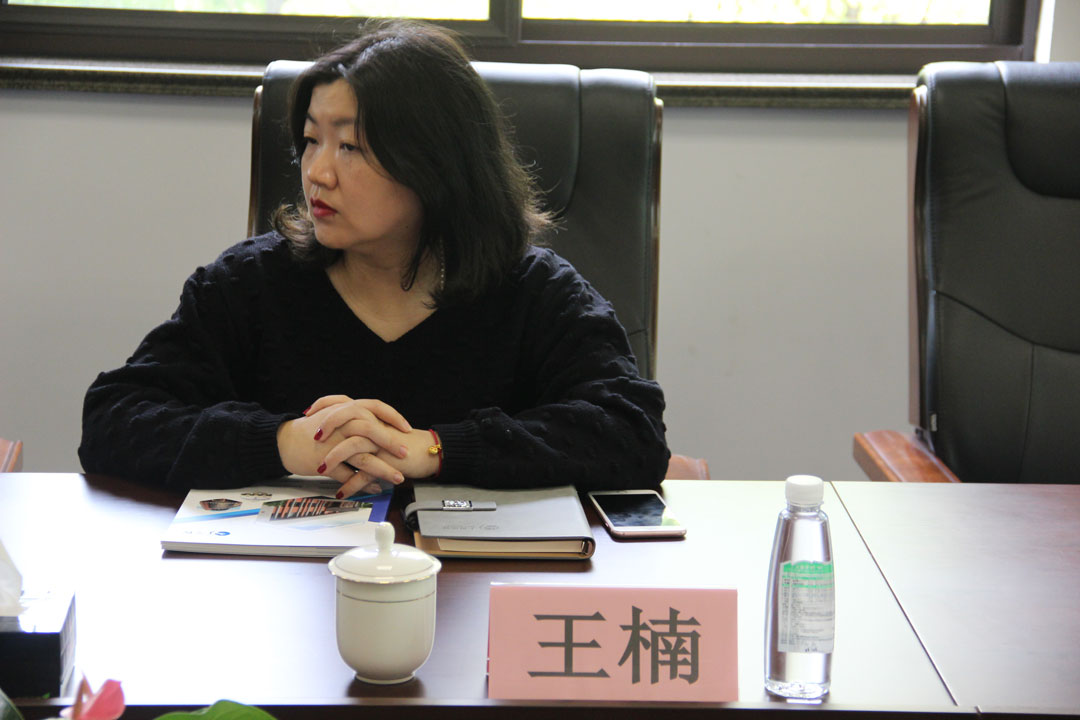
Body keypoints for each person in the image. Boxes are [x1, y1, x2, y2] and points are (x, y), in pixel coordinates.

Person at [78, 19, 669, 497]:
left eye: (351, 146)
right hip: (289, 585)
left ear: (435, 164)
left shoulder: (533, 291)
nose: (317, 172)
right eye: (312, 140)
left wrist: (435, 449)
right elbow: (115, 417)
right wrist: (284, 442)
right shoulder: (248, 285)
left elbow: (634, 432)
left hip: (475, 587)